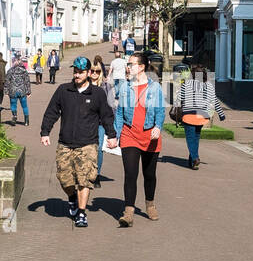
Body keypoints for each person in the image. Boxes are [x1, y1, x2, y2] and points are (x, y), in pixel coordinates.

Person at [40, 55, 116, 229]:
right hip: (65, 143)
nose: (77, 75)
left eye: (81, 72)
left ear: (89, 73)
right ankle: (72, 197)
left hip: (88, 143)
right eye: (75, 72)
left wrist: (111, 135)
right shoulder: (63, 90)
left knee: (85, 179)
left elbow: (106, 116)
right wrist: (45, 132)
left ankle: (81, 212)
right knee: (64, 179)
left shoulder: (97, 94)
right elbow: (52, 112)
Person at [114, 51, 166, 227]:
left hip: (150, 136)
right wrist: (115, 135)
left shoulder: (155, 88)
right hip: (130, 135)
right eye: (128, 64)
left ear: (142, 67)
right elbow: (119, 114)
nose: (128, 67)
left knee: (149, 174)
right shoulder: (124, 87)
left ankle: (150, 204)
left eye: (131, 64)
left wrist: (158, 127)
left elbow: (160, 111)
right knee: (130, 174)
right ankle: (128, 212)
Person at [176, 61, 226, 170]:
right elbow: (215, 100)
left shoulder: (186, 83)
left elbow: (179, 99)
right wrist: (221, 114)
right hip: (202, 115)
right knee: (196, 138)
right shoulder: (209, 85)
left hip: (188, 114)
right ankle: (192, 162)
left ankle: (195, 157)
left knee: (190, 138)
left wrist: (177, 109)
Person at [90, 56, 117, 186]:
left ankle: (97, 174)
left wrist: (113, 127)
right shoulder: (84, 85)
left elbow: (112, 106)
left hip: (100, 123)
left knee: (99, 148)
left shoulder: (106, 86)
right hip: (86, 122)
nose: (95, 74)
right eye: (92, 71)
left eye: (98, 71)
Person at [4, 57, 32, 125]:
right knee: (24, 106)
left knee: (13, 105)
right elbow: (27, 82)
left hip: (13, 90)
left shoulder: (10, 70)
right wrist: (28, 92)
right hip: (22, 90)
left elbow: (7, 81)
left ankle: (14, 116)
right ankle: (26, 121)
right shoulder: (24, 70)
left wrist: (6, 91)